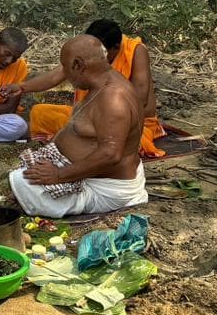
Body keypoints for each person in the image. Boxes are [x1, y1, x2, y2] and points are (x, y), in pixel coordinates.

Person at [8, 35, 148, 217]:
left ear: (78, 65)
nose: (65, 74)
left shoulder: (113, 99)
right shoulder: (102, 82)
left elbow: (110, 154)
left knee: (22, 182)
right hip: (81, 171)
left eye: (65, 68)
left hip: (105, 188)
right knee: (23, 176)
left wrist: (59, 175)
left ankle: (78, 201)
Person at [0, 19, 167, 158]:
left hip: (127, 121)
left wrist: (104, 117)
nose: (98, 58)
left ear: (116, 47)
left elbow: (140, 99)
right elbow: (54, 77)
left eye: (103, 54)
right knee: (40, 113)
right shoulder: (88, 53)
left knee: (126, 140)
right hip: (89, 116)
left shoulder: (136, 51)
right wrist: (22, 87)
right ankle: (87, 141)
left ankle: (89, 143)